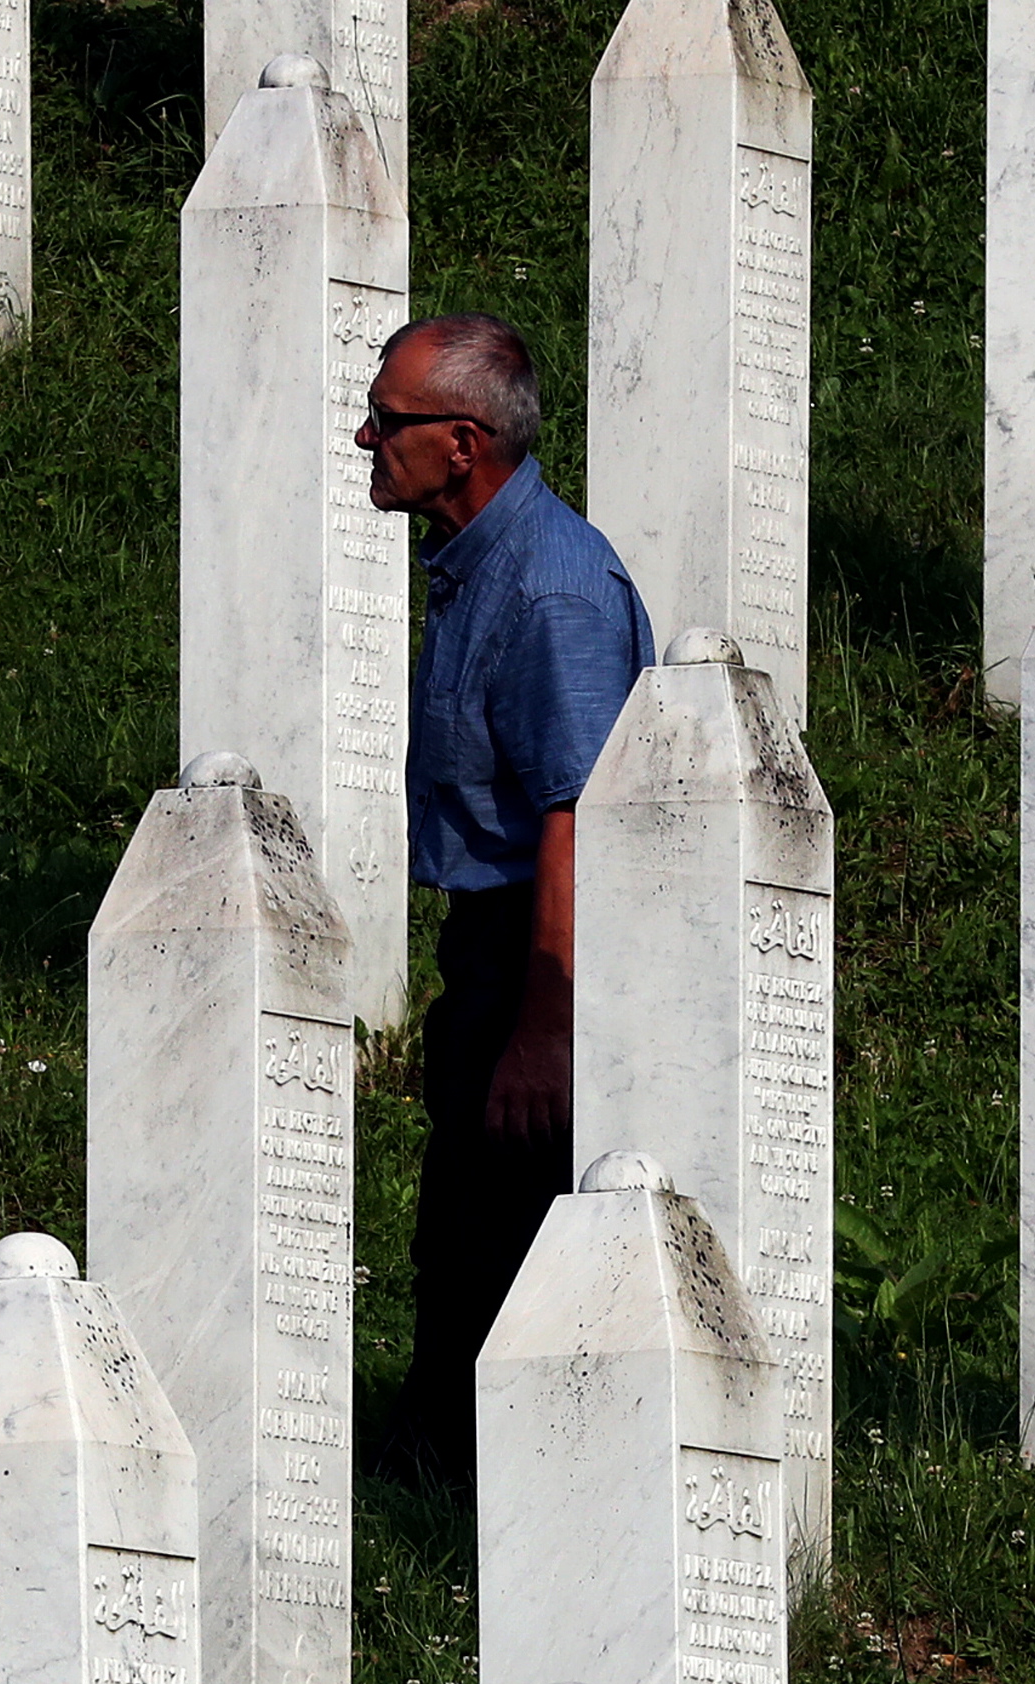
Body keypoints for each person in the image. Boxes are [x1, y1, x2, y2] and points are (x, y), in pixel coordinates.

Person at [360, 312, 657, 1481]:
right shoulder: (481, 562)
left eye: (388, 422)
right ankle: (447, 1453)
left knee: (497, 1225)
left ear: (464, 443)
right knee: (462, 1220)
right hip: (488, 946)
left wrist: (546, 1023)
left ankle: (481, 1471)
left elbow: (577, 818)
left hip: (534, 952)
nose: (365, 437)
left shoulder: (551, 595)